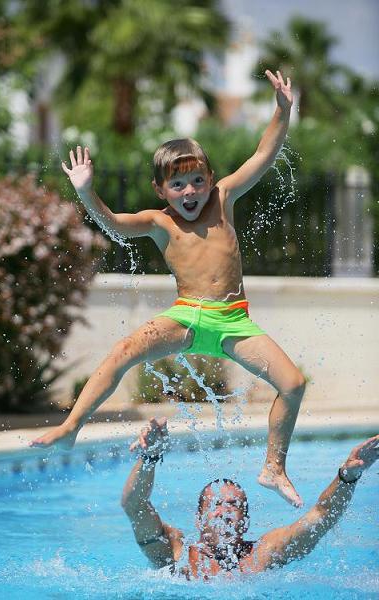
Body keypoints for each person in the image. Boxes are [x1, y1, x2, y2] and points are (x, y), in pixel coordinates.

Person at [31, 69, 305, 506]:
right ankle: (70, 427)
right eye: (177, 184)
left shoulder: (224, 197)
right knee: (122, 352)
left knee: (293, 384)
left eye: (197, 180)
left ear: (210, 177)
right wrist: (86, 194)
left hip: (234, 321)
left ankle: (274, 467)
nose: (190, 190)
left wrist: (282, 109)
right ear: (162, 190)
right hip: (186, 317)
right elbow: (113, 222)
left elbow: (263, 154)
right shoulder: (161, 223)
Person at [122, 417, 379, 579]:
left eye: (233, 505)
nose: (224, 511)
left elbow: (321, 517)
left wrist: (347, 477)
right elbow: (135, 506)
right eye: (215, 504)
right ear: (198, 519)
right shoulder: (177, 553)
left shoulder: (263, 554)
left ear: (245, 521)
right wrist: (150, 458)